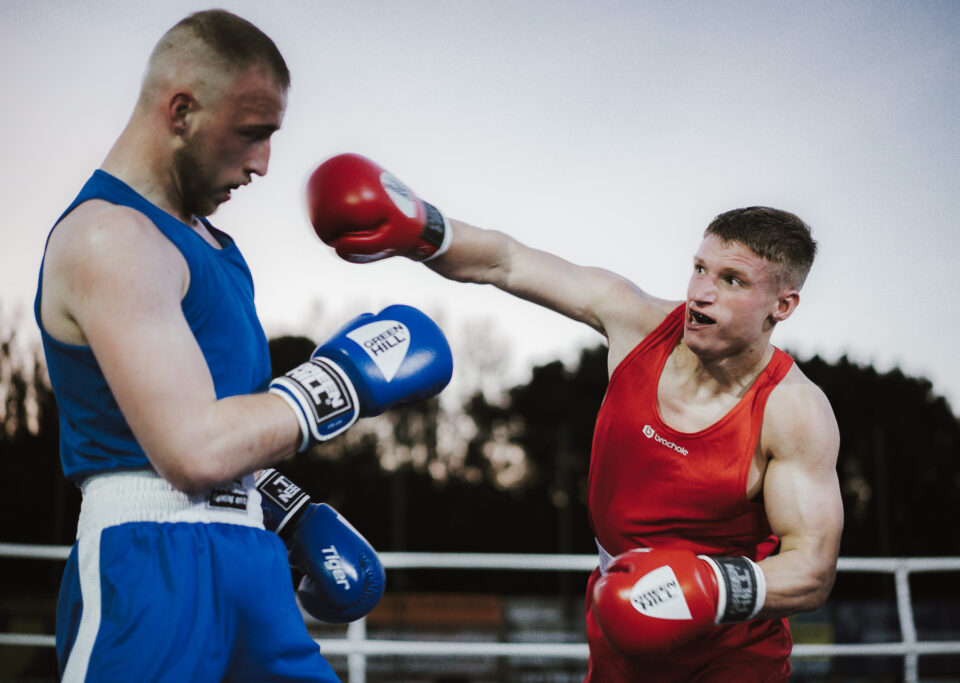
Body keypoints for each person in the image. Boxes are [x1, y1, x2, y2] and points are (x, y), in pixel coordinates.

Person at [302, 153, 844, 681]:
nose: (701, 293)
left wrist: (707, 588)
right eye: (700, 269)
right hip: (617, 617)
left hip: (730, 651)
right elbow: (507, 261)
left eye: (732, 280)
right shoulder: (636, 322)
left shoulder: (793, 410)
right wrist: (422, 226)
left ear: (782, 306)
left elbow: (812, 569)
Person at [34, 13, 453, 682]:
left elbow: (224, 419)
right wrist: (343, 381)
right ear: (182, 111)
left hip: (250, 560)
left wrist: (286, 511)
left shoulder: (216, 249)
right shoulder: (109, 237)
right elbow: (193, 450)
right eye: (253, 133)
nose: (262, 164)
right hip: (148, 574)